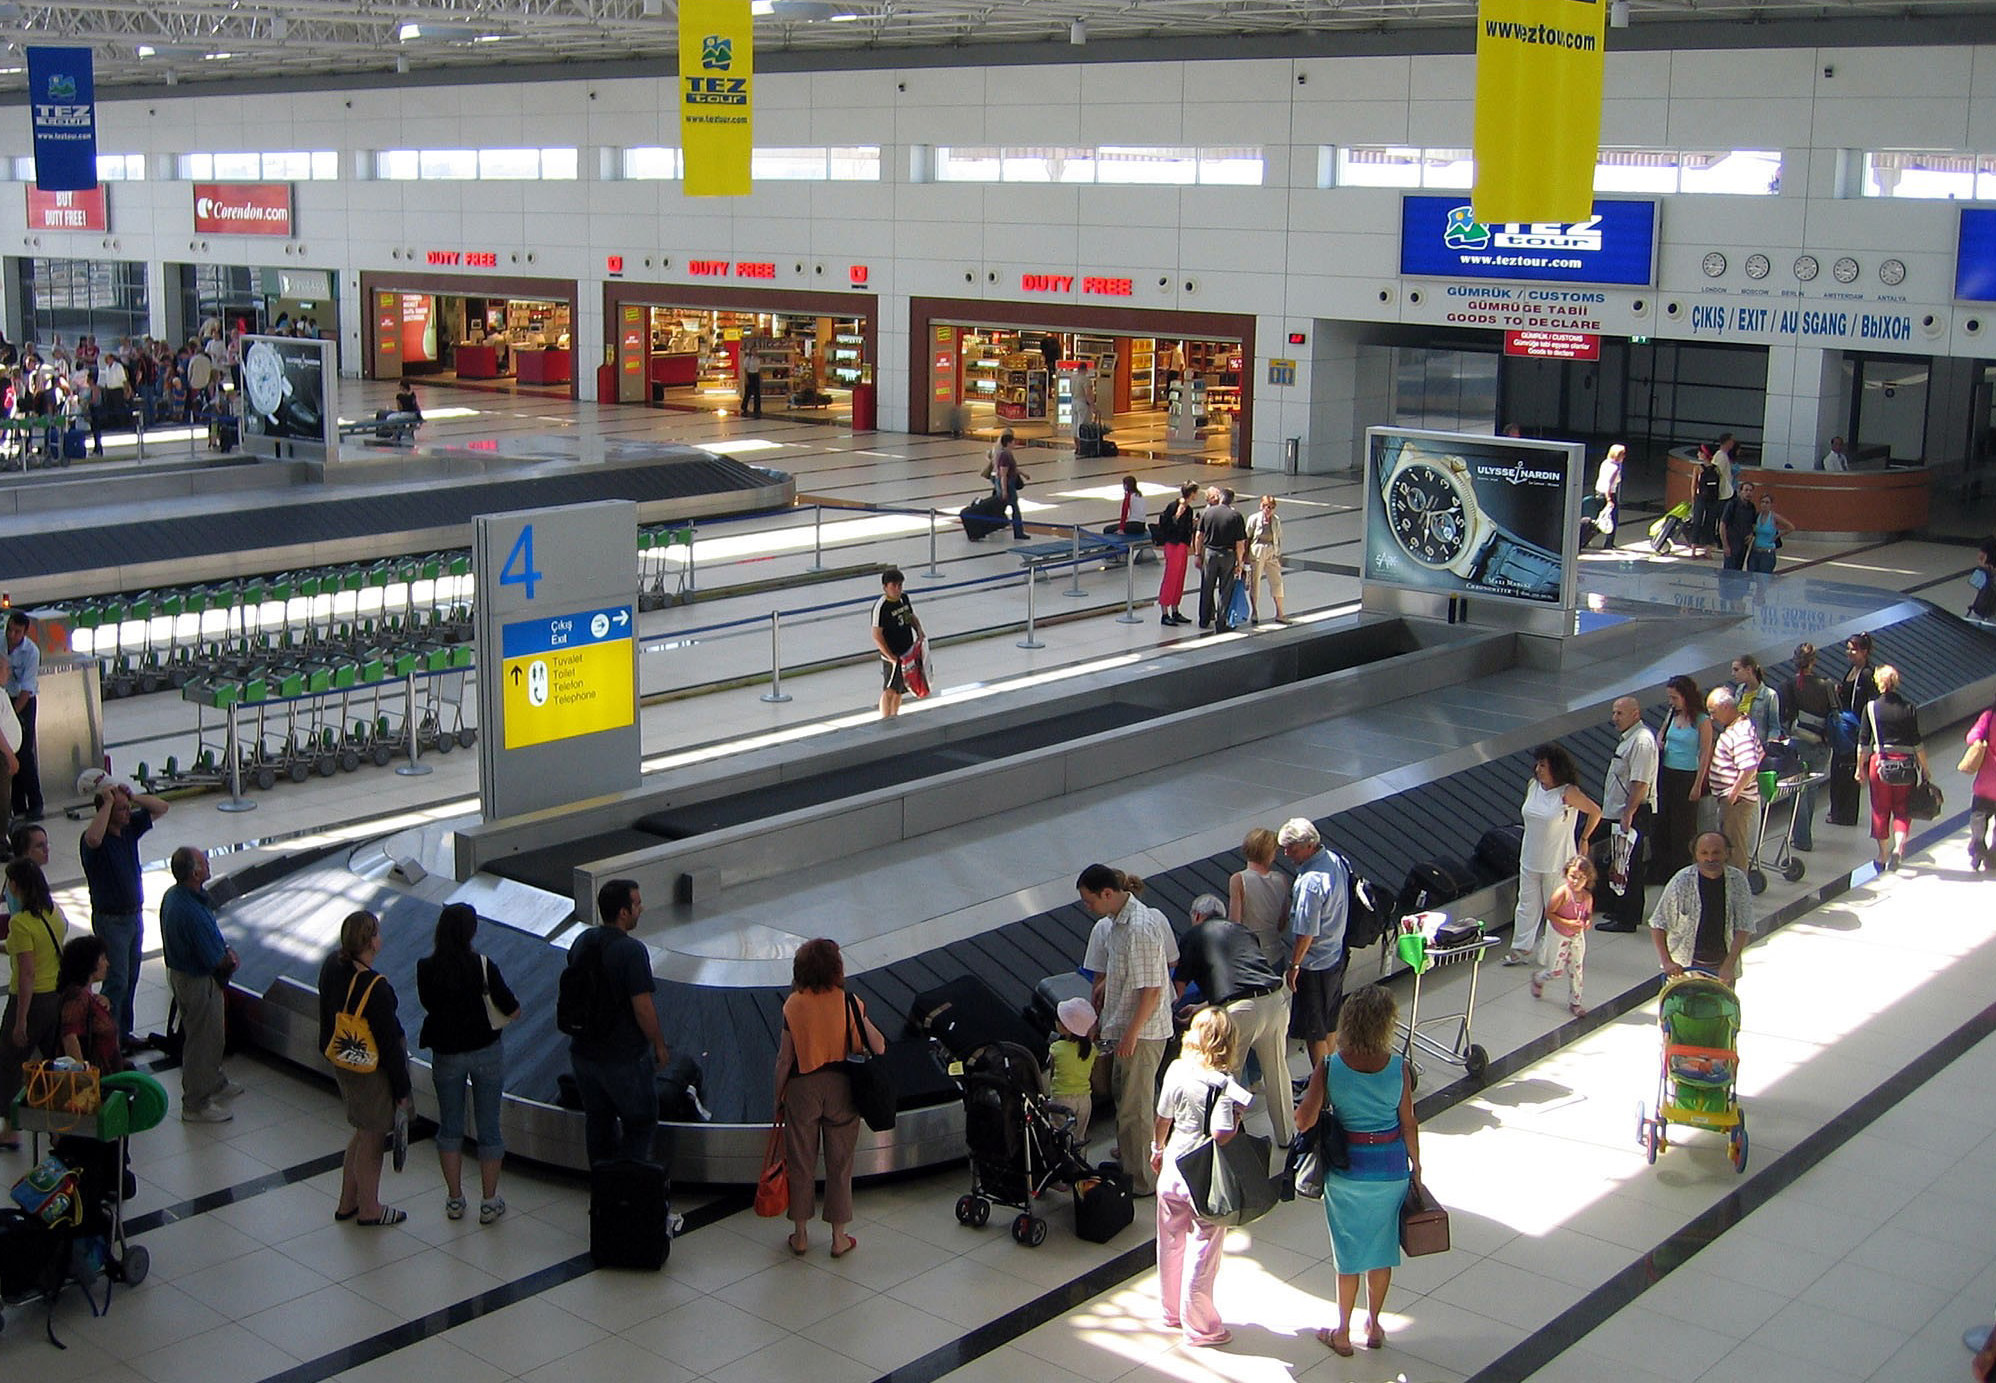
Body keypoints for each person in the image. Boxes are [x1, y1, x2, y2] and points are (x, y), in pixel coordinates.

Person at [1294, 984, 1420, 1358]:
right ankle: (1376, 1325)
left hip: (1346, 1170)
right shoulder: (1400, 1068)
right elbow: (1409, 1122)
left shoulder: (1330, 1066)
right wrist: (1417, 1165)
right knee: (1381, 1251)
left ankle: (1343, 1331)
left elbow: (1304, 1120)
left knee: (1348, 1254)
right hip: (1391, 1168)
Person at [773, 937, 883, 1257]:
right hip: (842, 1088)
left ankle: (801, 1234)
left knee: (801, 1162)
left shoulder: (794, 1004)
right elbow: (878, 1045)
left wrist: (777, 1094)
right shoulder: (848, 1001)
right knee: (839, 1164)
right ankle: (838, 1238)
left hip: (803, 1087)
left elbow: (784, 1058)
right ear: (836, 968)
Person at [1150, 1007, 1250, 1348]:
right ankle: (1201, 1327)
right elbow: (1221, 1132)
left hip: (1173, 1166)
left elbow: (1163, 1116)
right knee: (1203, 1249)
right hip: (1204, 1176)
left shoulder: (1177, 1069)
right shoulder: (1223, 1083)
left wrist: (1156, 1147)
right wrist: (1236, 1120)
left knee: (1170, 1242)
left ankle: (1170, 1312)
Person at [416, 902, 520, 1225]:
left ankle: (455, 1199)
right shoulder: (483, 965)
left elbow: (428, 1004)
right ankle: (489, 1201)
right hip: (486, 1050)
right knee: (489, 1127)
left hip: (446, 1053)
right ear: (471, 932)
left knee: (450, 1126)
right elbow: (512, 1007)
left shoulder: (426, 967)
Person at [1076, 864, 1173, 1197]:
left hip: (1143, 1032)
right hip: (1125, 1026)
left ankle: (1141, 1180)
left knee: (1135, 1106)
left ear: (1107, 894)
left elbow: (1153, 989)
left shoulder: (1140, 927)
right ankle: (1132, 1161)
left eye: (1089, 901)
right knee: (1125, 1098)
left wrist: (1132, 1033)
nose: (1087, 908)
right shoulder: (1117, 924)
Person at [1174, 896, 1295, 1151]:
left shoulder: (1193, 936)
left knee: (1227, 1077)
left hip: (1239, 1013)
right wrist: (1203, 1007)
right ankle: (1287, 1138)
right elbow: (1244, 976)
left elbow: (1178, 989)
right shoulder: (1241, 930)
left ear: (1196, 916)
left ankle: (1231, 1143)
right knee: (1277, 1072)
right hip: (1274, 999)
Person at [566, 879, 669, 1166]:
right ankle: (631, 1198)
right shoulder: (631, 951)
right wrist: (658, 1045)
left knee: (598, 1124)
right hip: (623, 1057)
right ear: (623, 912)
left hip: (584, 1052)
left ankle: (604, 1198)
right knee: (640, 1124)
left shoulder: (582, 941)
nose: (641, 908)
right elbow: (643, 1008)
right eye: (636, 904)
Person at [318, 909, 411, 1225]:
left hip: (342, 1057)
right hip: (370, 1070)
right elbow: (389, 1046)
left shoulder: (333, 965)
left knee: (361, 1130)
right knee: (372, 1138)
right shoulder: (376, 987)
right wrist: (402, 1091)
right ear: (371, 942)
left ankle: (348, 1201)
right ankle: (370, 1209)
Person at [80, 777, 170, 1049]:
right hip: (111, 920)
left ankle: (122, 1033)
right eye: (121, 809)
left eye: (126, 808)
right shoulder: (96, 841)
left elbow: (162, 807)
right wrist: (107, 803)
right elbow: (93, 838)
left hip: (133, 917)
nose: (127, 813)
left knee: (129, 976)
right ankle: (107, 1039)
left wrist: (133, 796)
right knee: (116, 980)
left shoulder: (129, 831)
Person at [158, 846, 242, 1123]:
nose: (208, 865)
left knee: (207, 1036)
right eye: (204, 862)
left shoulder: (177, 896)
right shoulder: (189, 911)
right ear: (195, 872)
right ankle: (196, 1103)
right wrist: (229, 959)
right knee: (203, 1041)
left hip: (183, 975)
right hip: (197, 982)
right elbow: (212, 958)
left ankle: (214, 1082)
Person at [1505, 744, 1602, 967]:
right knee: (1526, 905)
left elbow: (1596, 811)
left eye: (1543, 765)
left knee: (1557, 907)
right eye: (1537, 764)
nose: (1538, 769)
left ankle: (1553, 952)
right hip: (1530, 857)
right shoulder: (1533, 786)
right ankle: (1520, 948)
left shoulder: (1568, 792)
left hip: (1558, 861)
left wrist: (1584, 838)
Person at [0, 857, 67, 1152]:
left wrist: (20, 1020)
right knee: (50, 1064)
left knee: (10, 1063)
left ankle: (10, 1130)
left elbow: (26, 973)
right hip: (55, 996)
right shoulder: (54, 913)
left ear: (16, 886)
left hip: (31, 1000)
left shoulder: (21, 923)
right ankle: (59, 1129)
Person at [1279, 817, 1349, 1072]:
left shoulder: (1311, 882)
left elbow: (1306, 932)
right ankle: (1332, 1078)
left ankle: (1323, 1087)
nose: (1287, 854)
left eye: (1292, 848)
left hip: (1315, 965)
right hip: (1336, 955)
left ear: (1309, 845)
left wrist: (1295, 965)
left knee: (1314, 1032)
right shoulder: (1335, 860)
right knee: (1329, 1024)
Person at [1649, 831, 1756, 985]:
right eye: (1704, 853)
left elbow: (1744, 926)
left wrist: (1729, 964)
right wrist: (1667, 962)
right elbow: (1658, 924)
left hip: (1721, 970)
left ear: (1727, 853)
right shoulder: (1681, 881)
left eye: (1716, 852)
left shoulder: (1738, 880)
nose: (1710, 858)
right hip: (1684, 970)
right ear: (1696, 855)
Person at [1596, 696, 1658, 932]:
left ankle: (1628, 918)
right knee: (1620, 862)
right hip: (1621, 810)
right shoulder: (1629, 740)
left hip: (1633, 812)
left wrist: (1628, 814)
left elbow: (1640, 782)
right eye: (1613, 713)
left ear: (1635, 714)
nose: (1615, 718)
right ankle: (1620, 908)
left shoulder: (1641, 742)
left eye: (1620, 714)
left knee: (1629, 864)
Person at [1858, 664, 1927, 873]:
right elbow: (1917, 742)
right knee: (1903, 810)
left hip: (1880, 765)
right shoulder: (1908, 708)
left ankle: (1882, 854)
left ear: (1878, 682)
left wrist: (1859, 768)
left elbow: (1863, 741)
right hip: (1906, 765)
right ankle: (1899, 848)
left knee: (1880, 810)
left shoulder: (1870, 708)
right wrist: (1925, 768)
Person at [1650, 675, 1714, 884]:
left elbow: (1705, 753)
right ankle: (1661, 869)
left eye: (1675, 698)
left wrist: (1698, 784)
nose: (1672, 702)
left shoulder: (1702, 721)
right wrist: (1660, 742)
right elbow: (1661, 734)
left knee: (1682, 827)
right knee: (1662, 823)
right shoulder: (1672, 714)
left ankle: (1682, 869)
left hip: (1687, 776)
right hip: (1666, 773)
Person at [1782, 642, 1840, 852]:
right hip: (1823, 744)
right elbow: (1836, 713)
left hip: (1799, 743)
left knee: (1798, 790)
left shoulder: (1788, 685)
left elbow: (1784, 717)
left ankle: (1801, 838)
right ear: (1814, 661)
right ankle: (1805, 833)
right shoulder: (1826, 684)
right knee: (1812, 787)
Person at [1705, 687, 1764, 872]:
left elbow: (1749, 766)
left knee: (1734, 852)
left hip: (1737, 803)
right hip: (1735, 799)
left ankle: (1737, 893)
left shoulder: (1739, 733)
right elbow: (1760, 754)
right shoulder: (1742, 725)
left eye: (1713, 712)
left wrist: (1733, 793)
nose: (1712, 718)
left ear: (1725, 708)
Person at [1531, 855, 1596, 1017]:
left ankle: (1575, 1002)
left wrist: (1586, 923)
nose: (1576, 881)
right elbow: (1549, 913)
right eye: (1573, 877)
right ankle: (1539, 978)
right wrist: (1567, 923)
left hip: (1576, 936)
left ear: (1587, 880)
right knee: (1555, 971)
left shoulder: (1587, 897)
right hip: (1559, 934)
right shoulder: (1562, 893)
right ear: (1566, 874)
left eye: (1581, 878)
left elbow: (1587, 914)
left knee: (1577, 969)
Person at [56, 935, 124, 1074]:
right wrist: (84, 1076)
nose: (107, 964)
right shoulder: (77, 998)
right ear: (90, 964)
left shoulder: (85, 994)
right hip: (95, 1078)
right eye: (103, 959)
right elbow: (69, 1037)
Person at [1228, 826, 1291, 966]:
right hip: (1276, 954)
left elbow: (1235, 924)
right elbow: (1282, 923)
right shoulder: (1281, 880)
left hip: (1250, 956)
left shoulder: (1238, 880)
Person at [870, 567, 925, 719]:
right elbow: (876, 635)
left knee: (901, 688)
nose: (897, 589)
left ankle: (894, 716)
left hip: (907, 651)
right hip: (892, 654)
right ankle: (885, 718)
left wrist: (919, 630)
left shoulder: (903, 599)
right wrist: (890, 656)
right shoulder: (881, 607)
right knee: (890, 688)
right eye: (893, 586)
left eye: (900, 585)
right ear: (885, 587)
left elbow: (910, 616)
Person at [1193, 485, 1247, 634]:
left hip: (1210, 553)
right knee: (1225, 589)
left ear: (1220, 497)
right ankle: (1221, 622)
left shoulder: (1208, 512)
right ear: (1232, 500)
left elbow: (1198, 535)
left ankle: (1204, 619)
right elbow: (1240, 543)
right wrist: (1240, 562)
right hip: (1227, 555)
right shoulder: (1236, 516)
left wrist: (1198, 554)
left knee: (1206, 586)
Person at [1045, 996, 1098, 1143]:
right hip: (1085, 1100)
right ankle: (1080, 1164)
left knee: (1061, 1138)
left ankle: (1064, 1165)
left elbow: (1052, 1072)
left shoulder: (1056, 1048)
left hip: (1062, 1099)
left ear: (1065, 1026)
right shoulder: (1092, 1049)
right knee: (1079, 1139)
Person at [7, 611, 43, 823]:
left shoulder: (31, 652)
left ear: (25, 633)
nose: (11, 635)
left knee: (23, 753)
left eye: (17, 632)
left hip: (23, 702)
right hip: (5, 699)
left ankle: (36, 802)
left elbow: (26, 689)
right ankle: (17, 804)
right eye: (9, 629)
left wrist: (12, 715)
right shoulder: (1, 642)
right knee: (9, 752)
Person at [1154, 481, 1199, 627]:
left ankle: (1175, 608)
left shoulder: (1189, 509)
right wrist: (1177, 516)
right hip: (1173, 545)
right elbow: (1166, 525)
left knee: (1179, 578)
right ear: (1191, 493)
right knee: (1171, 577)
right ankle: (1165, 612)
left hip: (1182, 546)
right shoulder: (1173, 506)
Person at [1966, 695, 1996, 872]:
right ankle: (1993, 859)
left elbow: (1972, 737)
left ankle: (1977, 845)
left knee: (1978, 816)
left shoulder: (1989, 716)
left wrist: (1979, 742)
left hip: (1985, 783)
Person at [1245, 493, 1285, 623]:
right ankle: (1255, 611)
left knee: (1277, 581)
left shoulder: (1276, 520)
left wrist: (1278, 554)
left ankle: (1280, 612)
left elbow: (1278, 538)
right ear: (1261, 506)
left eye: (1271, 507)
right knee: (1255, 582)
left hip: (1271, 551)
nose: (1268, 510)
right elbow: (1247, 537)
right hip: (1257, 551)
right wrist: (1244, 556)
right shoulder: (1254, 519)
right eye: (1266, 506)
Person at [1732, 654, 1782, 748]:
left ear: (1748, 669)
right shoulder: (1739, 691)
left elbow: (1774, 727)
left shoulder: (1769, 695)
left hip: (1759, 746)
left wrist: (1770, 745)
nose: (1733, 674)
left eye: (1736, 670)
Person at [1744, 489, 1795, 574]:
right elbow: (1753, 529)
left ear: (1771, 504)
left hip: (1767, 553)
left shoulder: (1774, 517)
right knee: (1750, 576)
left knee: (1763, 580)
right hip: (1755, 552)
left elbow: (1791, 527)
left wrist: (1777, 535)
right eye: (1762, 502)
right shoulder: (1757, 516)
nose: (1764, 504)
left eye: (1767, 502)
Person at [989, 428, 1026, 540]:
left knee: (1002, 507)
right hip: (1007, 485)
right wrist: (1004, 490)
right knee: (1014, 508)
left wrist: (1024, 474)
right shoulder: (1005, 455)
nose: (1015, 443)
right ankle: (1018, 532)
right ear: (1009, 443)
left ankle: (994, 524)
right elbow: (1004, 474)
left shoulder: (1004, 453)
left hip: (1004, 483)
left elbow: (1011, 469)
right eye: (1013, 441)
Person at [1588, 443, 1626, 549]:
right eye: (1623, 454)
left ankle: (1586, 536)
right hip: (1608, 495)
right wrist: (1609, 499)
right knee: (1612, 520)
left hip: (1598, 492)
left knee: (1600, 518)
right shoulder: (1615, 468)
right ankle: (1609, 544)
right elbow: (1608, 484)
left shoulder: (1605, 463)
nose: (1624, 456)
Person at [1719, 479, 1758, 572]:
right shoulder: (1732, 505)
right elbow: (1722, 525)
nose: (1748, 493)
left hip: (1743, 545)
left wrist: (1752, 534)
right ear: (1741, 491)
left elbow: (1754, 524)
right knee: (1728, 572)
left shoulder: (1752, 507)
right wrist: (1725, 545)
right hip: (1731, 544)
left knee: (1738, 571)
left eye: (1750, 490)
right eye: (1746, 490)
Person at [1842, 631, 1880, 720]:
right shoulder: (1852, 669)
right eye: (1848, 649)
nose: (1849, 652)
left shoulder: (1866, 674)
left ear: (1864, 652)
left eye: (1853, 650)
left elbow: (1873, 699)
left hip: (1857, 723)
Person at [740, 345, 764, 419]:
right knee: (748, 392)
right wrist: (746, 378)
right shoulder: (748, 359)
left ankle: (757, 408)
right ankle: (744, 407)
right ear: (751, 351)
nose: (755, 352)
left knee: (757, 393)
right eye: (753, 350)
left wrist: (760, 377)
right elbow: (745, 369)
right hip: (750, 375)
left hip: (756, 375)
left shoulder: (758, 359)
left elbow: (759, 369)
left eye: (756, 350)